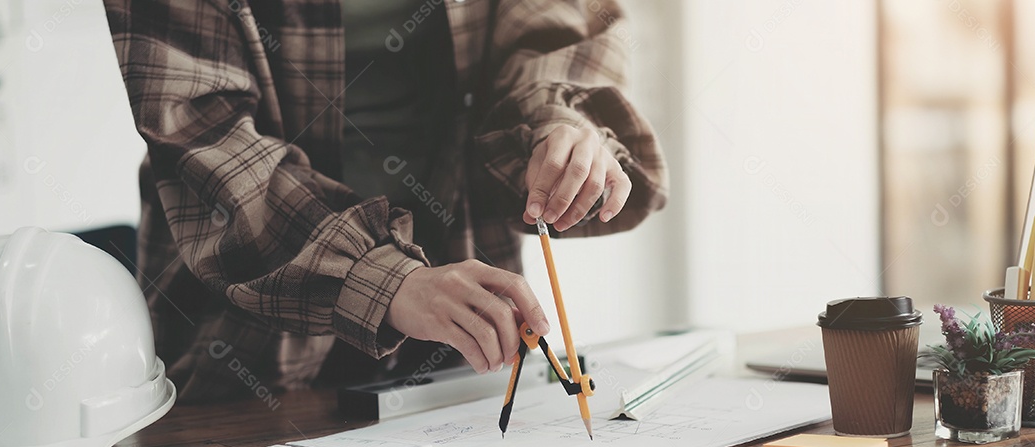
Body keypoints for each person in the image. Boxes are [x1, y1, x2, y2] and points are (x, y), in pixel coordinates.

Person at [102, 0, 668, 402]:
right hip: (246, 345)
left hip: (459, 307)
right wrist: (384, 279)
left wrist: (558, 122)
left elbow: (555, 28)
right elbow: (207, 138)